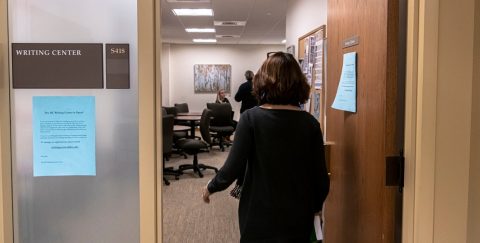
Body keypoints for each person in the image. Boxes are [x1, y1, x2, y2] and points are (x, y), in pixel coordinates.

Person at [202, 52, 330, 242]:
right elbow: (320, 177)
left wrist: (211, 187)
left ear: (263, 81)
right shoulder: (310, 123)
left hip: (259, 214)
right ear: (299, 83)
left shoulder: (251, 119)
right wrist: (316, 206)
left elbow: (233, 167)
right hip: (298, 213)